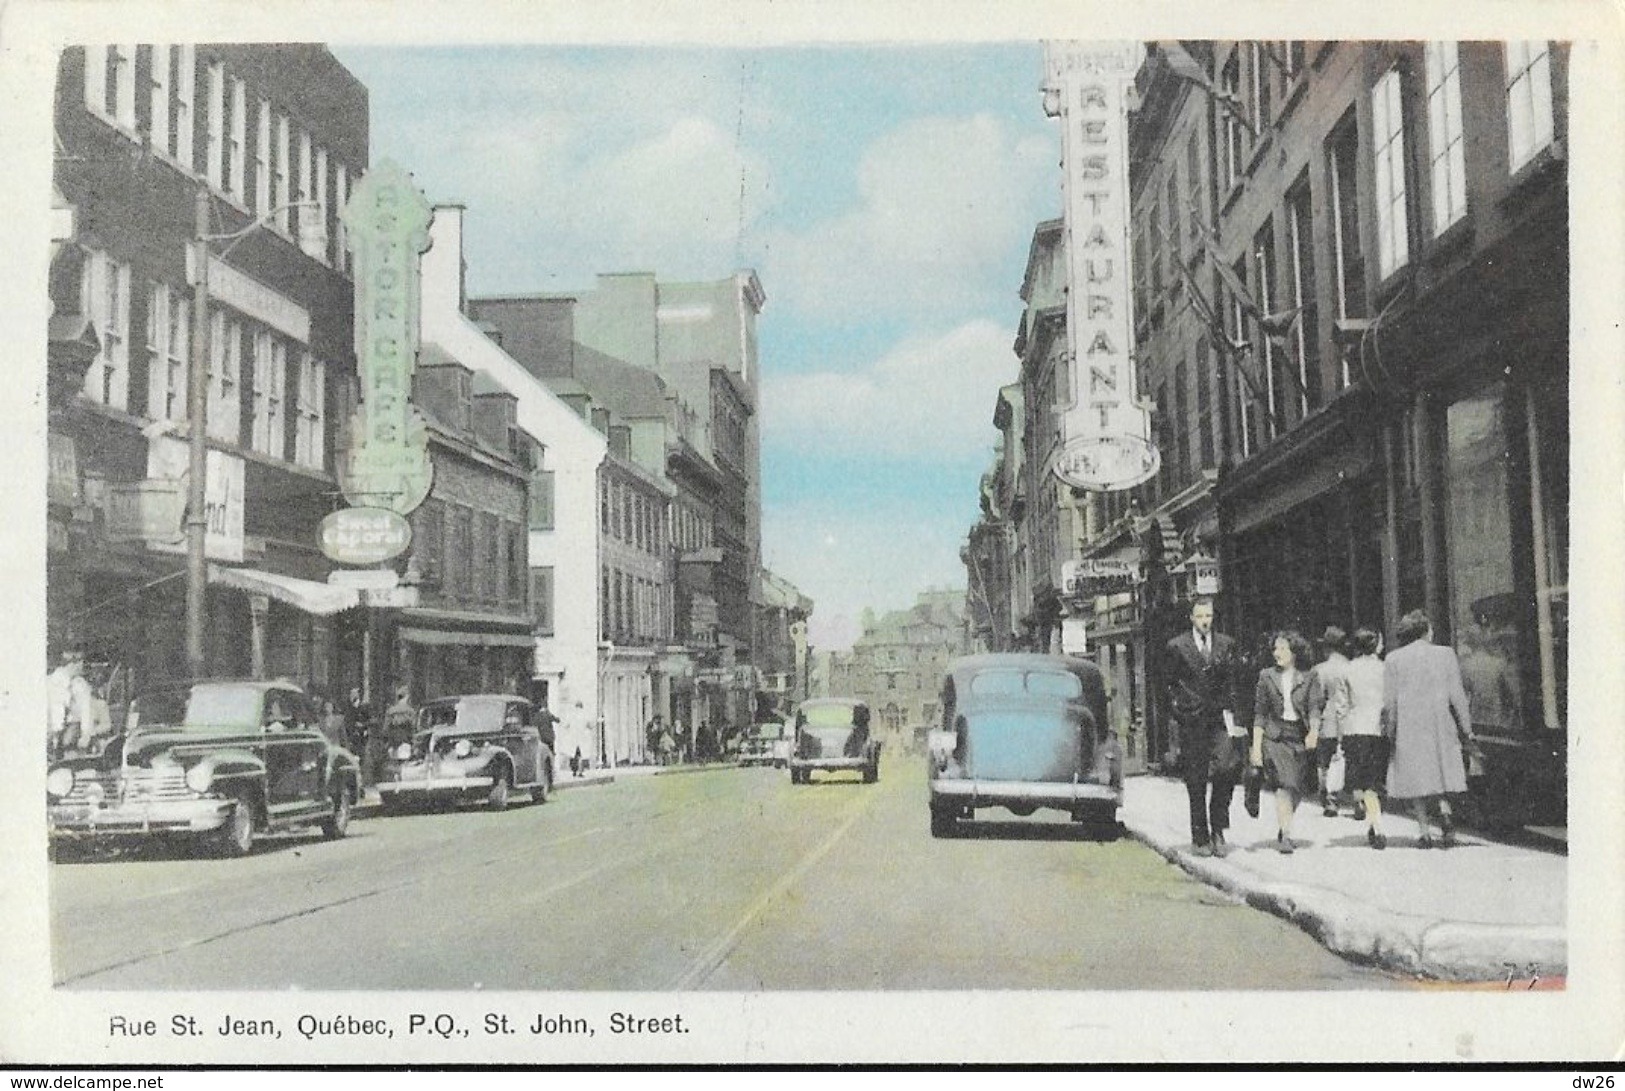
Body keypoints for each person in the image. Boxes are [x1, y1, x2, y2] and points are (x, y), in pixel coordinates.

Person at [1383, 609, 1474, 848]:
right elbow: (1457, 695)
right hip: (1440, 722)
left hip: (1409, 726)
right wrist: (1467, 728)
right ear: (1425, 631)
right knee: (1439, 772)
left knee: (1417, 778)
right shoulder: (1446, 654)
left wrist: (1390, 731)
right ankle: (1445, 813)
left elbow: (1390, 703)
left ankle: (1424, 831)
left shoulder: (1393, 659)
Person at [1163, 597, 1244, 858]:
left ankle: (1218, 828)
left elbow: (1232, 682)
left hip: (1219, 718)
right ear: (1191, 618)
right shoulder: (1177, 646)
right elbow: (1167, 684)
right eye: (1199, 616)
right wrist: (1179, 710)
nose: (1205, 621)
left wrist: (1234, 717)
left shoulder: (1226, 644)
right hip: (1192, 719)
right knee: (1196, 778)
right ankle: (1200, 836)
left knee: (1226, 767)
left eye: (1208, 616)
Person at [1252, 630, 1315, 853]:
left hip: (1298, 735)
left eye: (1282, 649)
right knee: (1283, 785)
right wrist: (1256, 747)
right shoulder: (1266, 676)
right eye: (1275, 649)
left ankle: (1284, 825)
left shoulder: (1307, 677)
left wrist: (1313, 732)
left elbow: (1314, 708)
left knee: (1296, 788)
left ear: (1294, 652)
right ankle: (1285, 835)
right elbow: (1259, 713)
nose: (1276, 653)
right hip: (1275, 736)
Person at [1334, 627, 1390, 849]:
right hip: (1379, 729)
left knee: (1364, 782)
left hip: (1355, 729)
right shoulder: (1385, 669)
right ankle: (1377, 825)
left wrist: (1341, 735)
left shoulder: (1347, 670)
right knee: (1376, 782)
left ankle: (1373, 820)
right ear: (1376, 644)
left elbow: (1341, 706)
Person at [1307, 626, 1351, 818]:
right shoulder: (1351, 667)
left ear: (1327, 648)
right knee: (1346, 759)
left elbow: (1315, 700)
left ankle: (1329, 799)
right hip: (1348, 721)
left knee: (1324, 762)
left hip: (1326, 722)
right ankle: (1355, 799)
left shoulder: (1319, 670)